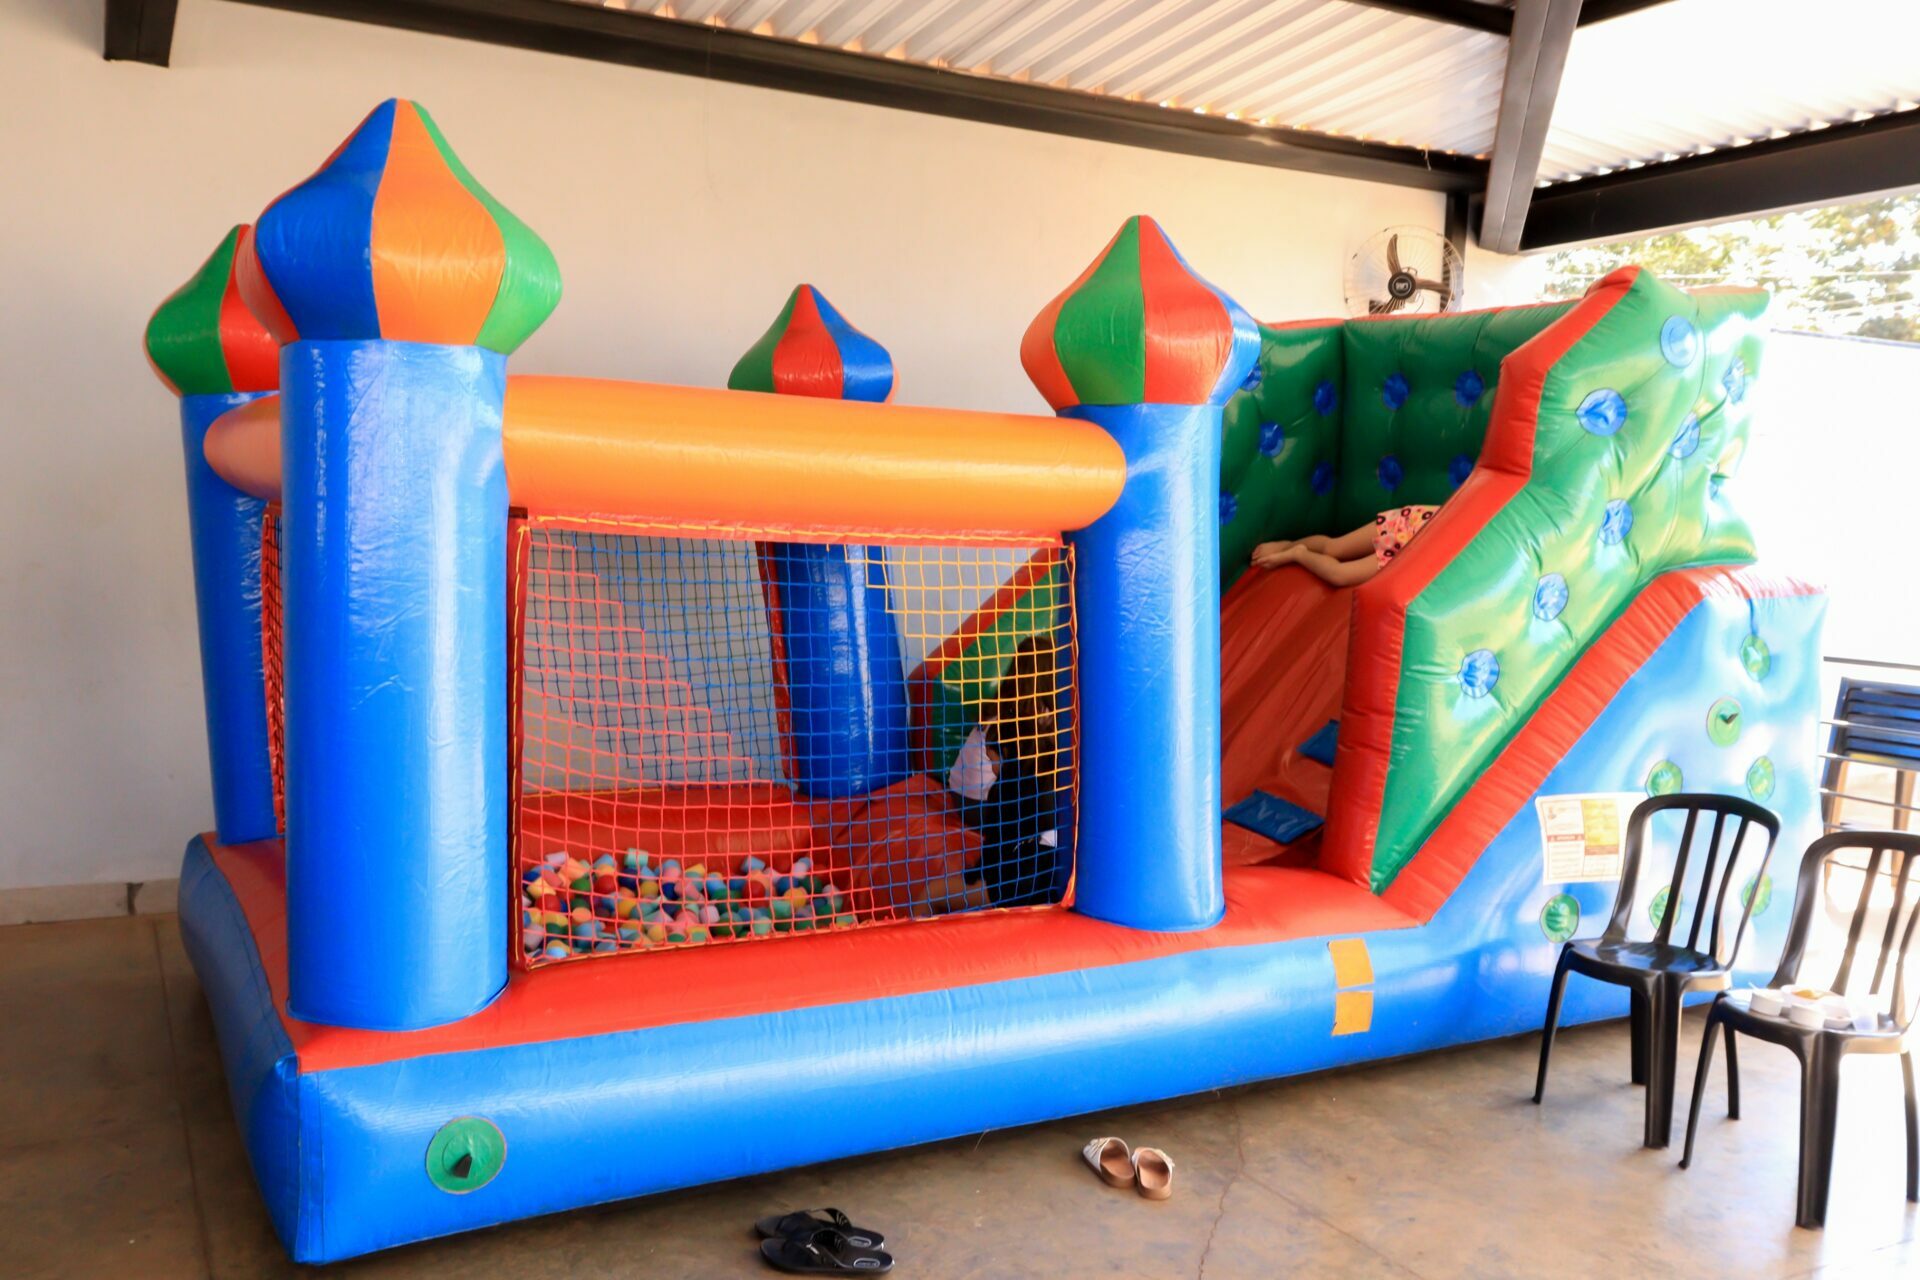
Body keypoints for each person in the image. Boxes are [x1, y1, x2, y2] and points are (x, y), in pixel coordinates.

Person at [913, 635, 1070, 915]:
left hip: (1015, 884)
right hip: (1047, 875)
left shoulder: (1009, 781)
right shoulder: (1055, 745)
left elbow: (999, 847)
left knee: (928, 896)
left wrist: (974, 875)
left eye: (991, 755)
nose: (989, 760)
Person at [1250, 503, 1441, 586]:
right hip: (1416, 522)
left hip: (1417, 546)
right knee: (1333, 548)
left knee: (1340, 575)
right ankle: (1287, 545)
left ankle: (1298, 553)